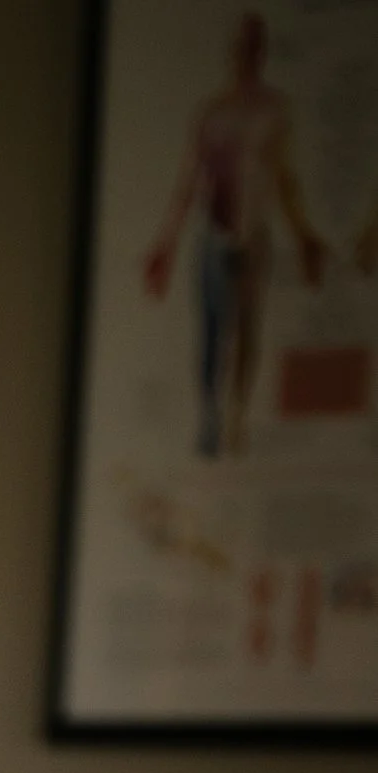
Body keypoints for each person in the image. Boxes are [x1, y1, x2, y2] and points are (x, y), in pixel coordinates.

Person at [144, 13, 327, 461]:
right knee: (211, 332)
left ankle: (237, 415)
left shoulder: (274, 110)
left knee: (247, 329)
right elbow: (190, 183)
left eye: (255, 46)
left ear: (262, 52)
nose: (247, 54)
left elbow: (284, 179)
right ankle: (209, 411)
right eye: (241, 46)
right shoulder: (214, 111)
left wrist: (303, 235)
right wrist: (164, 245)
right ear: (233, 52)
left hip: (254, 238)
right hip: (215, 235)